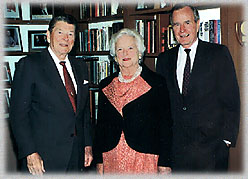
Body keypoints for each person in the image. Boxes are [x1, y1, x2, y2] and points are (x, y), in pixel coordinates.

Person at [156, 4, 240, 172]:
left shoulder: (218, 54)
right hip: (177, 153)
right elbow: (162, 108)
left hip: (212, 152)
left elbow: (231, 101)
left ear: (197, 23)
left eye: (187, 22)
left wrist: (225, 142)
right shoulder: (164, 60)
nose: (182, 29)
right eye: (177, 24)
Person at [10, 14, 93, 175]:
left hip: (76, 157)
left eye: (70, 34)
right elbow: (18, 115)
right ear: (48, 36)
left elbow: (84, 113)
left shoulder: (81, 66)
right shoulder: (29, 65)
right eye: (60, 32)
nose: (65, 38)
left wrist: (87, 145)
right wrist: (30, 153)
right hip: (42, 158)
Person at [93, 28, 172, 174]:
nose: (125, 53)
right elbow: (100, 128)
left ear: (139, 52)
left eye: (130, 48)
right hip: (112, 158)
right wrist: (99, 161)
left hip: (145, 158)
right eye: (120, 49)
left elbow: (166, 126)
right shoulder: (105, 85)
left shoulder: (157, 83)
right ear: (114, 56)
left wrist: (165, 163)